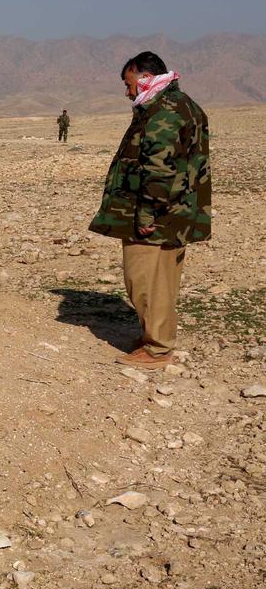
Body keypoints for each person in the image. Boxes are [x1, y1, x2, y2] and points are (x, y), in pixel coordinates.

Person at [88, 51, 211, 369]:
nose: (127, 92)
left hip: (157, 215)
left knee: (144, 279)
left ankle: (157, 349)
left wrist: (147, 214)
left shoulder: (163, 111)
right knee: (162, 281)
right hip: (176, 212)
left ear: (144, 78)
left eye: (129, 84)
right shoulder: (183, 105)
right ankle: (155, 338)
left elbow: (159, 169)